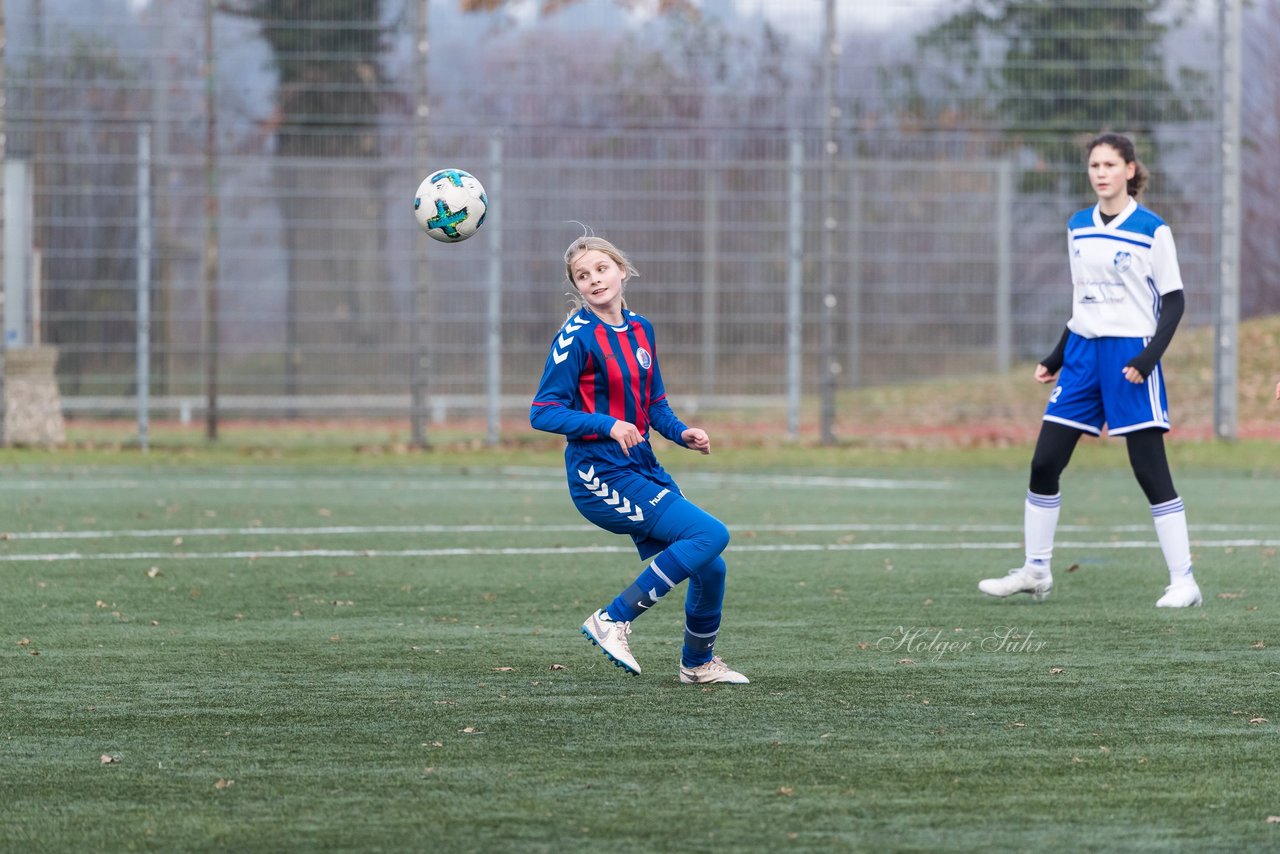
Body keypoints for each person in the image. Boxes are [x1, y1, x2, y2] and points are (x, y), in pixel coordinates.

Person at [979, 132, 1202, 608]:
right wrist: (1056, 356)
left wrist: (1147, 359)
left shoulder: (1152, 229)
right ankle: (1036, 570)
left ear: (1129, 170)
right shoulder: (1078, 226)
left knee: (1149, 469)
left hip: (1129, 358)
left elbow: (1176, 302)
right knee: (1044, 462)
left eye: (1109, 165)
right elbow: (1082, 300)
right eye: (1094, 165)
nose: (1100, 173)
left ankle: (1183, 580)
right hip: (1081, 356)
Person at [530, 233, 749, 683]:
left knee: (711, 565)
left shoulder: (640, 328)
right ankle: (612, 619)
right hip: (600, 475)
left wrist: (681, 432)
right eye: (582, 275)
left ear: (621, 271)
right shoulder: (576, 337)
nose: (594, 280)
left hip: (642, 466)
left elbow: (654, 406)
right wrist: (607, 425)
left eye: (601, 269)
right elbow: (543, 411)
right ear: (576, 287)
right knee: (711, 534)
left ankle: (697, 664)